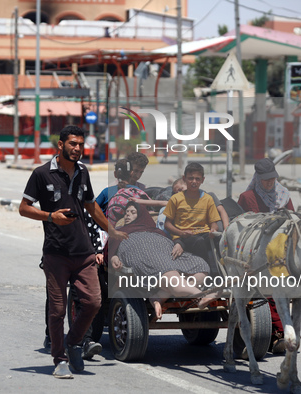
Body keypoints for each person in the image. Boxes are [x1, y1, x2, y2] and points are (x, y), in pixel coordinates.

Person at [19, 125, 126, 379]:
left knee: (93, 302)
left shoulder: (82, 172)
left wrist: (113, 230)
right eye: (72, 144)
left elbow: (90, 206)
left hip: (84, 251)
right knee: (56, 311)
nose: (77, 148)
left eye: (80, 144)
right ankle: (60, 360)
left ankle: (74, 341)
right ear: (60, 145)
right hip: (56, 253)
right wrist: (50, 216)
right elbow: (23, 208)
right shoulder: (42, 174)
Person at [109, 202, 216, 320]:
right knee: (170, 274)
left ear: (141, 215)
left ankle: (160, 296)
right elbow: (110, 249)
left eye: (132, 212)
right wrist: (114, 257)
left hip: (165, 253)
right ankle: (200, 297)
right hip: (142, 254)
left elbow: (174, 238)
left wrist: (179, 244)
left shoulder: (154, 230)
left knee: (201, 266)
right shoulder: (119, 231)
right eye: (126, 213)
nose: (127, 215)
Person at [237, 158, 294, 356]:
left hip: (280, 252)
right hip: (255, 253)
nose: (269, 183)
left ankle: (283, 332)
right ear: (258, 178)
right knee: (267, 293)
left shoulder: (283, 195)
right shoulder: (247, 197)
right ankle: (277, 334)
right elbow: (243, 227)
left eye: (272, 179)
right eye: (265, 180)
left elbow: (292, 221)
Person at [163, 163, 221, 268]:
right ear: (184, 178)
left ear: (202, 180)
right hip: (183, 236)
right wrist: (181, 232)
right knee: (199, 242)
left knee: (221, 240)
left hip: (203, 233)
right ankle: (206, 271)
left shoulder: (208, 199)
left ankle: (225, 272)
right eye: (191, 178)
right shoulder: (176, 199)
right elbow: (167, 224)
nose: (194, 182)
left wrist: (213, 230)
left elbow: (214, 223)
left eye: (197, 179)